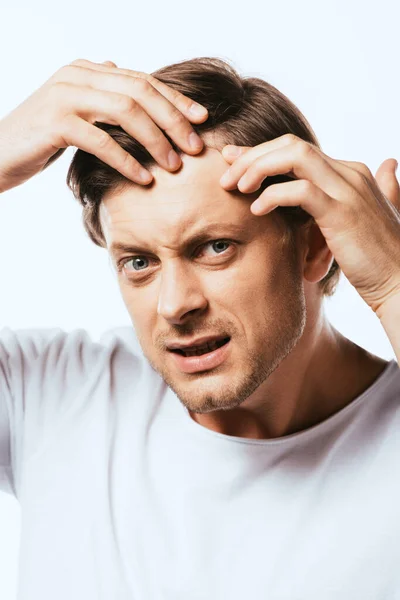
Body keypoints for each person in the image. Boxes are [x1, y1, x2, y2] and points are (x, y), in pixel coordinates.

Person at [0, 56, 399, 599]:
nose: (173, 306)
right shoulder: (46, 394)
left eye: (215, 248)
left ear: (313, 245)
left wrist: (394, 286)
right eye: (139, 261)